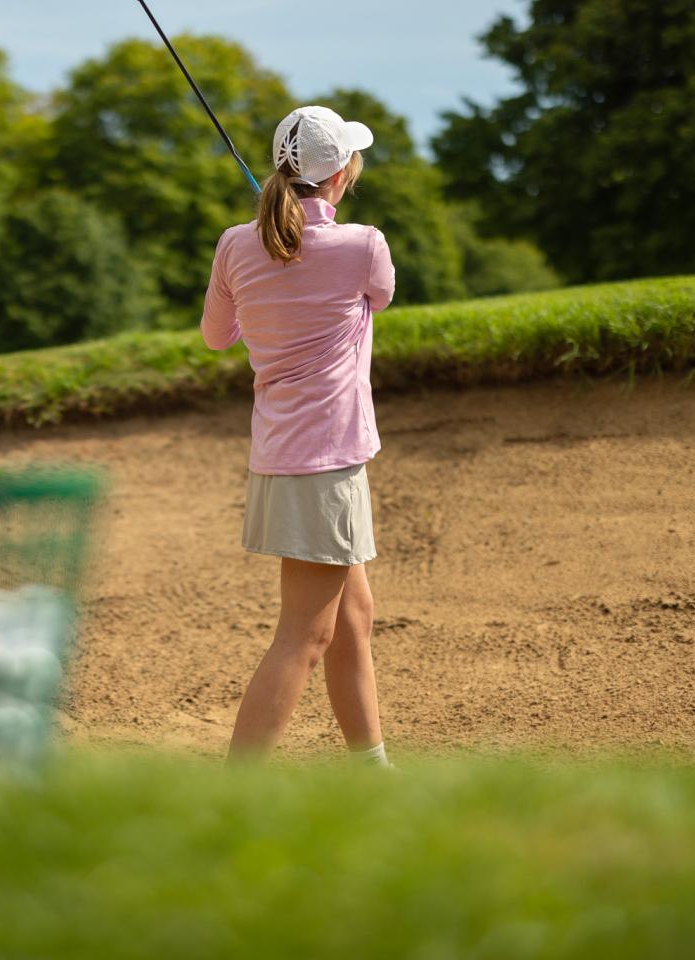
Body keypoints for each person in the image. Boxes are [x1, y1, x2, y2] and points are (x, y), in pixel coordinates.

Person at [200, 105, 396, 764]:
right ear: (341, 173)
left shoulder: (234, 243)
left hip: (283, 457)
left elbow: (216, 336)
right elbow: (382, 295)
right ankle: (237, 788)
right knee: (304, 636)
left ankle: (371, 768)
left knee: (352, 618)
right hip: (328, 463)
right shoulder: (363, 243)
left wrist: (264, 243)